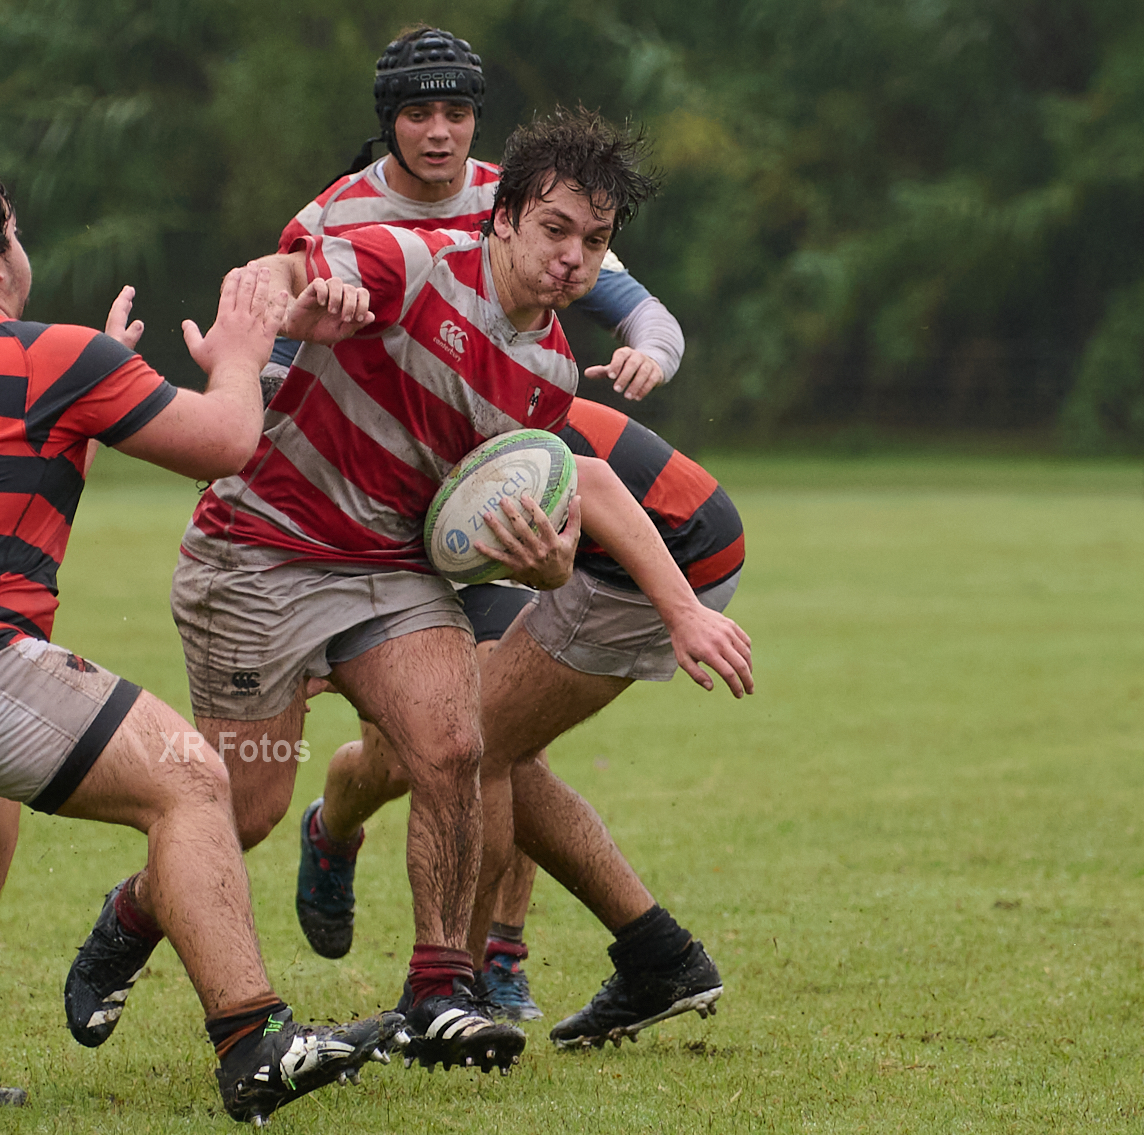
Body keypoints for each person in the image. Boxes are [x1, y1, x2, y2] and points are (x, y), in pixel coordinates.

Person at [65, 107, 746, 1073]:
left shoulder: (549, 368)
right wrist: (291, 308)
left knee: (457, 742)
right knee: (246, 809)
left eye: (595, 243)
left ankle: (441, 989)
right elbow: (293, 273)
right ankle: (132, 915)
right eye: (555, 230)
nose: (572, 258)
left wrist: (548, 563)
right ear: (502, 218)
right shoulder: (411, 257)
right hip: (261, 551)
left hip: (389, 568)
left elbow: (481, 515)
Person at [0, 155, 402, 1124]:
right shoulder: (53, 358)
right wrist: (243, 353)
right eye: (15, 230)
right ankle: (254, 1042)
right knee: (192, 780)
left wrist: (98, 375)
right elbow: (222, 444)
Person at [305, 398, 750, 1046]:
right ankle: (653, 957)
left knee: (471, 750)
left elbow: (591, 481)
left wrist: (682, 613)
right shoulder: (383, 412)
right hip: (661, 537)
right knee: (455, 750)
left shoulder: (423, 402)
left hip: (656, 547)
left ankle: (458, 993)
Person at [261, 24, 686, 407]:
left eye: (457, 114)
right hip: (367, 439)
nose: (440, 132)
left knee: (660, 482)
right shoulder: (329, 217)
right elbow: (279, 350)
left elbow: (643, 313)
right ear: (389, 123)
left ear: (475, 121)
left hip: (497, 422)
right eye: (418, 114)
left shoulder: (523, 202)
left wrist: (650, 356)